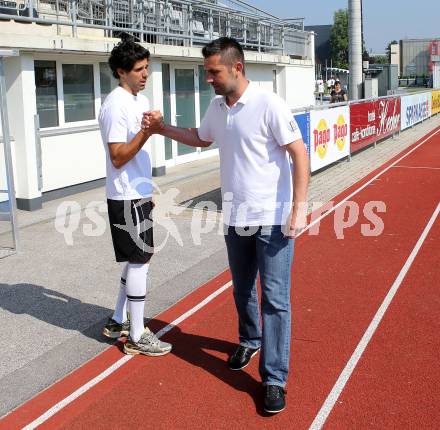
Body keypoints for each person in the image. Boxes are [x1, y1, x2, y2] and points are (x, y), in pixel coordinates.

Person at [144, 37, 309, 413]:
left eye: (213, 72)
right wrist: (161, 129)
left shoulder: (269, 104)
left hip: (272, 219)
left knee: (276, 300)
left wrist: (299, 209)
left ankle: (274, 379)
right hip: (235, 219)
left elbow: (299, 154)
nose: (209, 80)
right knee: (241, 291)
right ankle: (249, 340)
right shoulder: (218, 107)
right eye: (207, 73)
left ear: (237, 67)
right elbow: (201, 139)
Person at [99, 34, 172, 356]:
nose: (146, 75)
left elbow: (140, 149)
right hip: (124, 195)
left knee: (139, 257)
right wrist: (146, 131)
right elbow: (117, 156)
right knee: (140, 259)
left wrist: (147, 188)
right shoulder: (115, 105)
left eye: (147, 68)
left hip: (137, 191)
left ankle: (118, 319)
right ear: (121, 72)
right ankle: (137, 335)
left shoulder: (139, 102)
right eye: (139, 69)